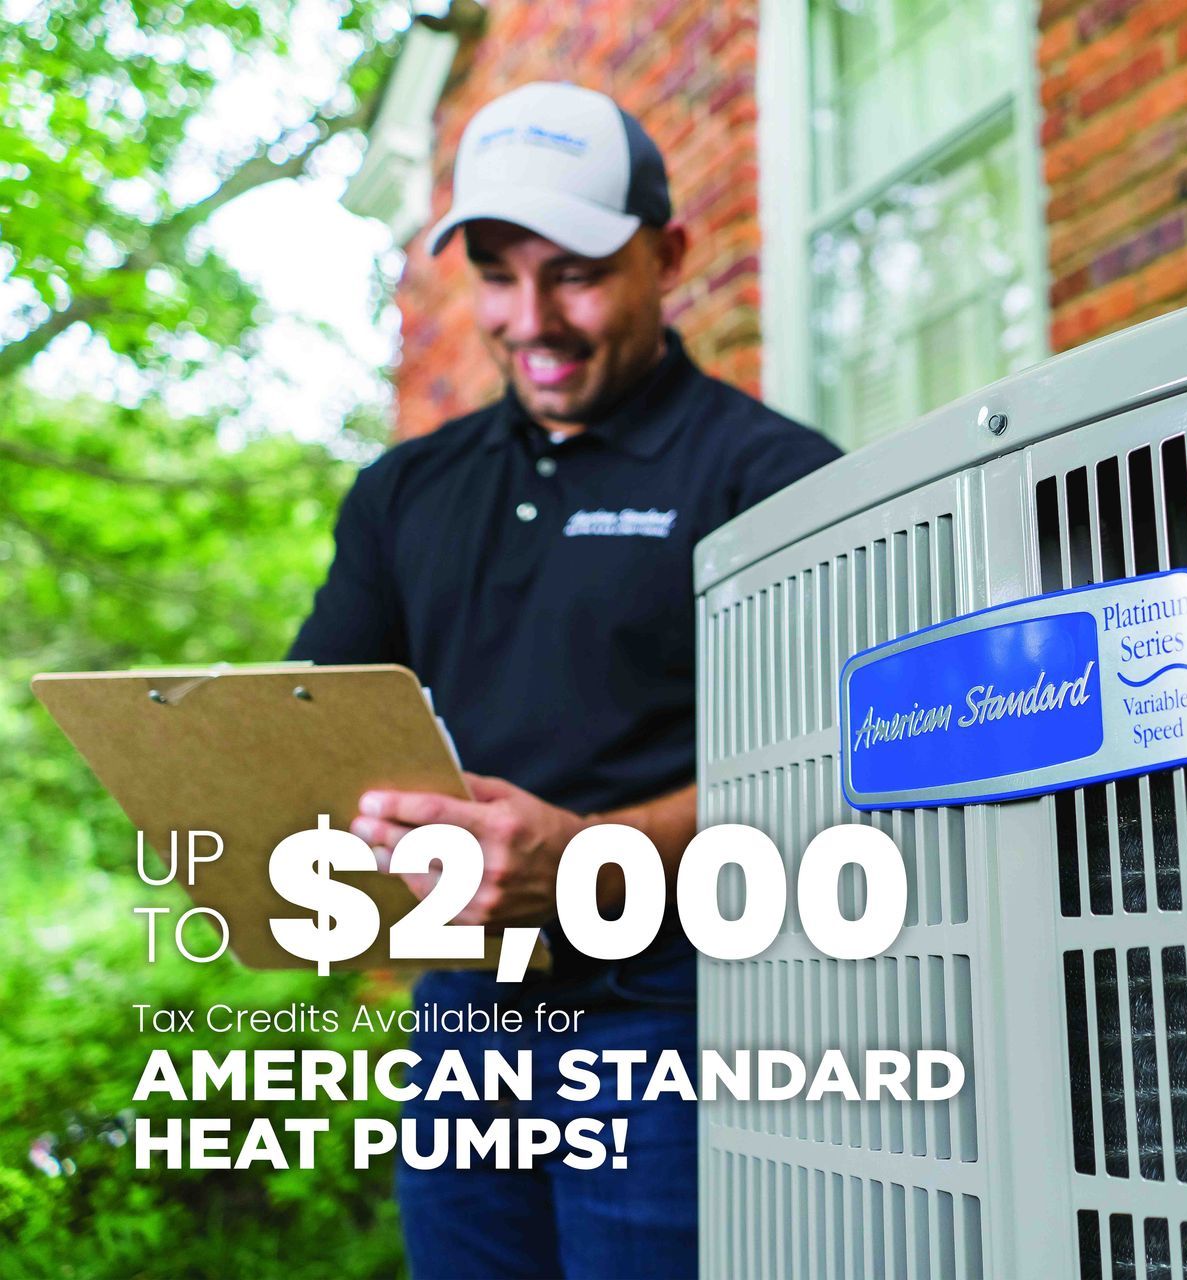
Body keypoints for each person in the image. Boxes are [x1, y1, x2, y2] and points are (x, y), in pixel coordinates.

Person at [288, 80, 841, 1278]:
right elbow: (312, 729)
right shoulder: (403, 495)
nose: (531, 318)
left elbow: (846, 767)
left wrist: (595, 854)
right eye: (497, 273)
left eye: (576, 272)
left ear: (668, 255)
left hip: (680, 1018)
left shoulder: (777, 478)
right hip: (464, 1021)